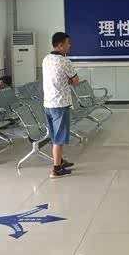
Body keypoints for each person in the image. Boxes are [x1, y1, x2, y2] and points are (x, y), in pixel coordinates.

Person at [42, 32, 79, 178]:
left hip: (48, 103)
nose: (70, 46)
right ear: (60, 45)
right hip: (60, 104)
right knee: (59, 138)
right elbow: (75, 81)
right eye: (68, 43)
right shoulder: (65, 62)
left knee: (54, 136)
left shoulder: (46, 59)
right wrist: (68, 81)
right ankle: (56, 169)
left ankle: (60, 160)